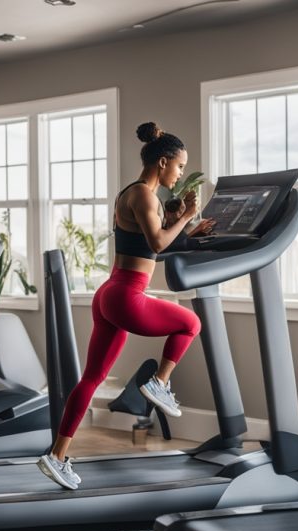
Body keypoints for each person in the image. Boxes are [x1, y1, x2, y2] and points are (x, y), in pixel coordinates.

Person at [36, 122, 204, 490]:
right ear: (163, 162)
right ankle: (159, 383)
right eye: (179, 166)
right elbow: (158, 245)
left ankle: (57, 456)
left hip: (109, 294)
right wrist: (186, 219)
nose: (180, 173)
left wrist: (184, 224)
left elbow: (147, 243)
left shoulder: (133, 193)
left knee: (91, 378)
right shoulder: (145, 195)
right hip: (127, 296)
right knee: (191, 324)